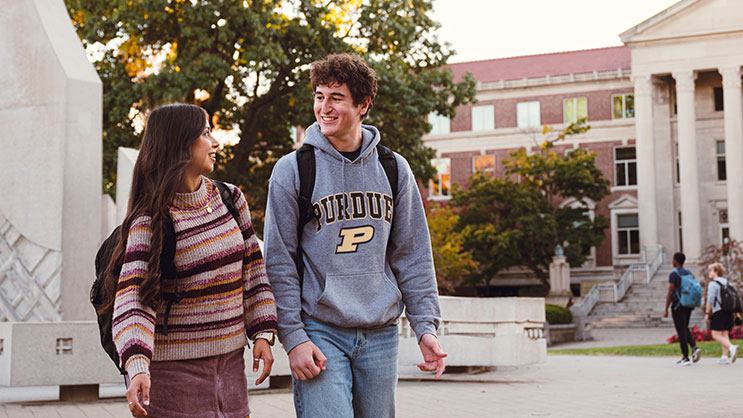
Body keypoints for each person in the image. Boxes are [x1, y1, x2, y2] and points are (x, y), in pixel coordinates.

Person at [264, 53, 446, 418]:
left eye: (336, 98)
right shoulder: (293, 170)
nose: (324, 108)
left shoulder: (393, 168)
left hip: (381, 334)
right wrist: (294, 338)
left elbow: (413, 254)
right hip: (321, 330)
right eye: (319, 96)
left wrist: (426, 327)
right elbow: (278, 262)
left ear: (363, 105)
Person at [108, 104, 278, 417]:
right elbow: (133, 300)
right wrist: (137, 367)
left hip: (231, 371)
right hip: (173, 379)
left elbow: (254, 272)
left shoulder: (230, 199)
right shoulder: (152, 219)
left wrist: (263, 333)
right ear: (181, 144)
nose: (215, 142)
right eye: (205, 133)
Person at [664, 252, 701, 366]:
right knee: (684, 328)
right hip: (688, 304)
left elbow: (671, 291)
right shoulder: (688, 273)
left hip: (678, 305)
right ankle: (694, 348)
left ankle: (685, 357)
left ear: (676, 260)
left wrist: (666, 308)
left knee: (681, 331)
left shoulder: (674, 274)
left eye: (673, 259)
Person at [705, 262, 740, 364]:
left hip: (718, 311)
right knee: (724, 334)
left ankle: (731, 347)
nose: (709, 273)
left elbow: (710, 299)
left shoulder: (713, 284)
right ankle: (724, 357)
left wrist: (707, 313)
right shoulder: (728, 283)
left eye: (710, 270)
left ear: (716, 272)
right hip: (729, 312)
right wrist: (737, 313)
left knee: (715, 335)